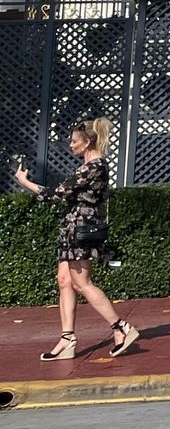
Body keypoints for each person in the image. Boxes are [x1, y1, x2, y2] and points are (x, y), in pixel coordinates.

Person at [13, 119, 139, 361]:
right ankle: (67, 338)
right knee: (64, 280)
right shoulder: (90, 167)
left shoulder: (93, 167)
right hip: (72, 229)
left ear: (87, 141)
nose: (70, 145)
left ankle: (121, 327)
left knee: (82, 283)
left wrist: (24, 181)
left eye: (74, 141)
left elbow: (54, 195)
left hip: (82, 230)